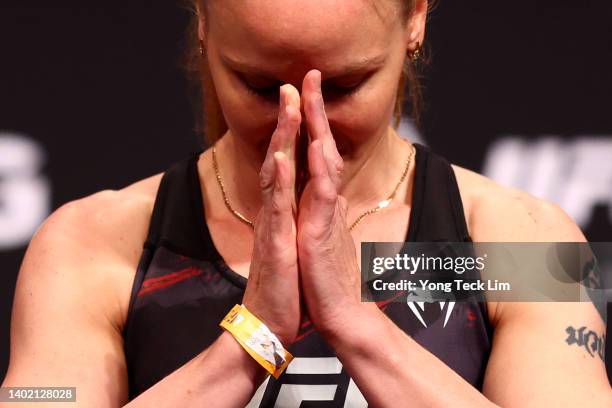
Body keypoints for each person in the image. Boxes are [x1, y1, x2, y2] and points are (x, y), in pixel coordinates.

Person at [2, 0, 610, 406]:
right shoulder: (89, 246)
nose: (299, 117)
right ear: (205, 21)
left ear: (415, 19)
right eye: (261, 85)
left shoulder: (524, 242)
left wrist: (356, 325)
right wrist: (253, 340)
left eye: (345, 86)